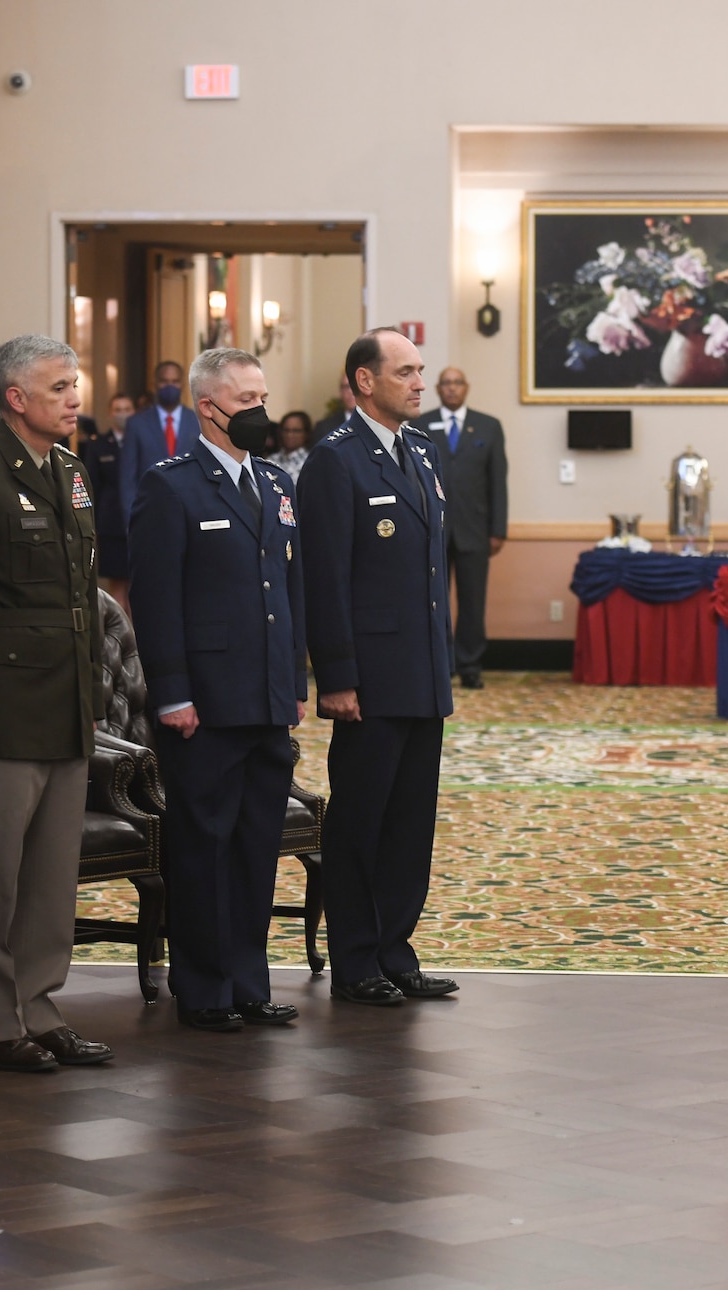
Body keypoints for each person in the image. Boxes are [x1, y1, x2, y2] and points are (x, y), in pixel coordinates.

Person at [0, 334, 114, 1075]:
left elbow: (79, 604)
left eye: (74, 384)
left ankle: (41, 1008)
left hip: (63, 712)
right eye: (59, 387)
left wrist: (90, 699)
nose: (74, 398)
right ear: (15, 399)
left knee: (48, 881)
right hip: (0, 719)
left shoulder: (69, 471)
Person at [128, 348, 307, 1032]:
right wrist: (171, 693)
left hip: (265, 699)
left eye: (265, 396)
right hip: (202, 703)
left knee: (256, 845)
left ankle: (248, 981)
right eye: (248, 401)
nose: (262, 411)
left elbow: (289, 592)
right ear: (209, 407)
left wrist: (294, 681)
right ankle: (203, 987)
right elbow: (157, 599)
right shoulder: (171, 487)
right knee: (202, 846)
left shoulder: (275, 484)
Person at [298, 328, 458, 1007]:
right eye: (405, 372)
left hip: (421, 671)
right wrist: (336, 675)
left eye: (421, 371)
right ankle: (356, 958)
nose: (420, 382)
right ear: (365, 381)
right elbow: (325, 577)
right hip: (367, 678)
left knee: (409, 823)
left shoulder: (422, 451)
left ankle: (396, 950)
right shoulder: (336, 461)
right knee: (361, 823)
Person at [414, 367, 508, 689]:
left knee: (472, 601)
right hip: (431, 528)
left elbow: (498, 481)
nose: (452, 389)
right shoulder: (419, 425)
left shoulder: (488, 426)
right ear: (438, 389)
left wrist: (499, 528)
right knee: (433, 599)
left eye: (457, 383)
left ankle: (470, 665)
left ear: (466, 388)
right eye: (446, 384)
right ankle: (440, 663)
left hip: (475, 529)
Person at [118, 359, 200, 529]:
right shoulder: (136, 423)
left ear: (183, 384)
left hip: (191, 516)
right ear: (155, 384)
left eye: (175, 381)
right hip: (149, 516)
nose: (169, 386)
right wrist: (131, 520)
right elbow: (127, 478)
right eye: (164, 381)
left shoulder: (197, 422)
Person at [84, 391, 135, 598]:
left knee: (139, 582)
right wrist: (92, 523)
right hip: (111, 522)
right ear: (110, 413)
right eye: (118, 410)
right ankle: (121, 629)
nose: (122, 414)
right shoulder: (99, 444)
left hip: (139, 520)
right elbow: (91, 486)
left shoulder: (143, 440)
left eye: (127, 410)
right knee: (118, 583)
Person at [269, 410, 314, 482]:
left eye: (296, 431)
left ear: (306, 433)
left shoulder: (311, 463)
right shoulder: (270, 461)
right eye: (286, 430)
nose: (290, 435)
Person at [310, 373, 355, 443]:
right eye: (346, 387)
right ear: (340, 392)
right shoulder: (324, 427)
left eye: (355, 386)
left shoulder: (376, 423)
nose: (351, 391)